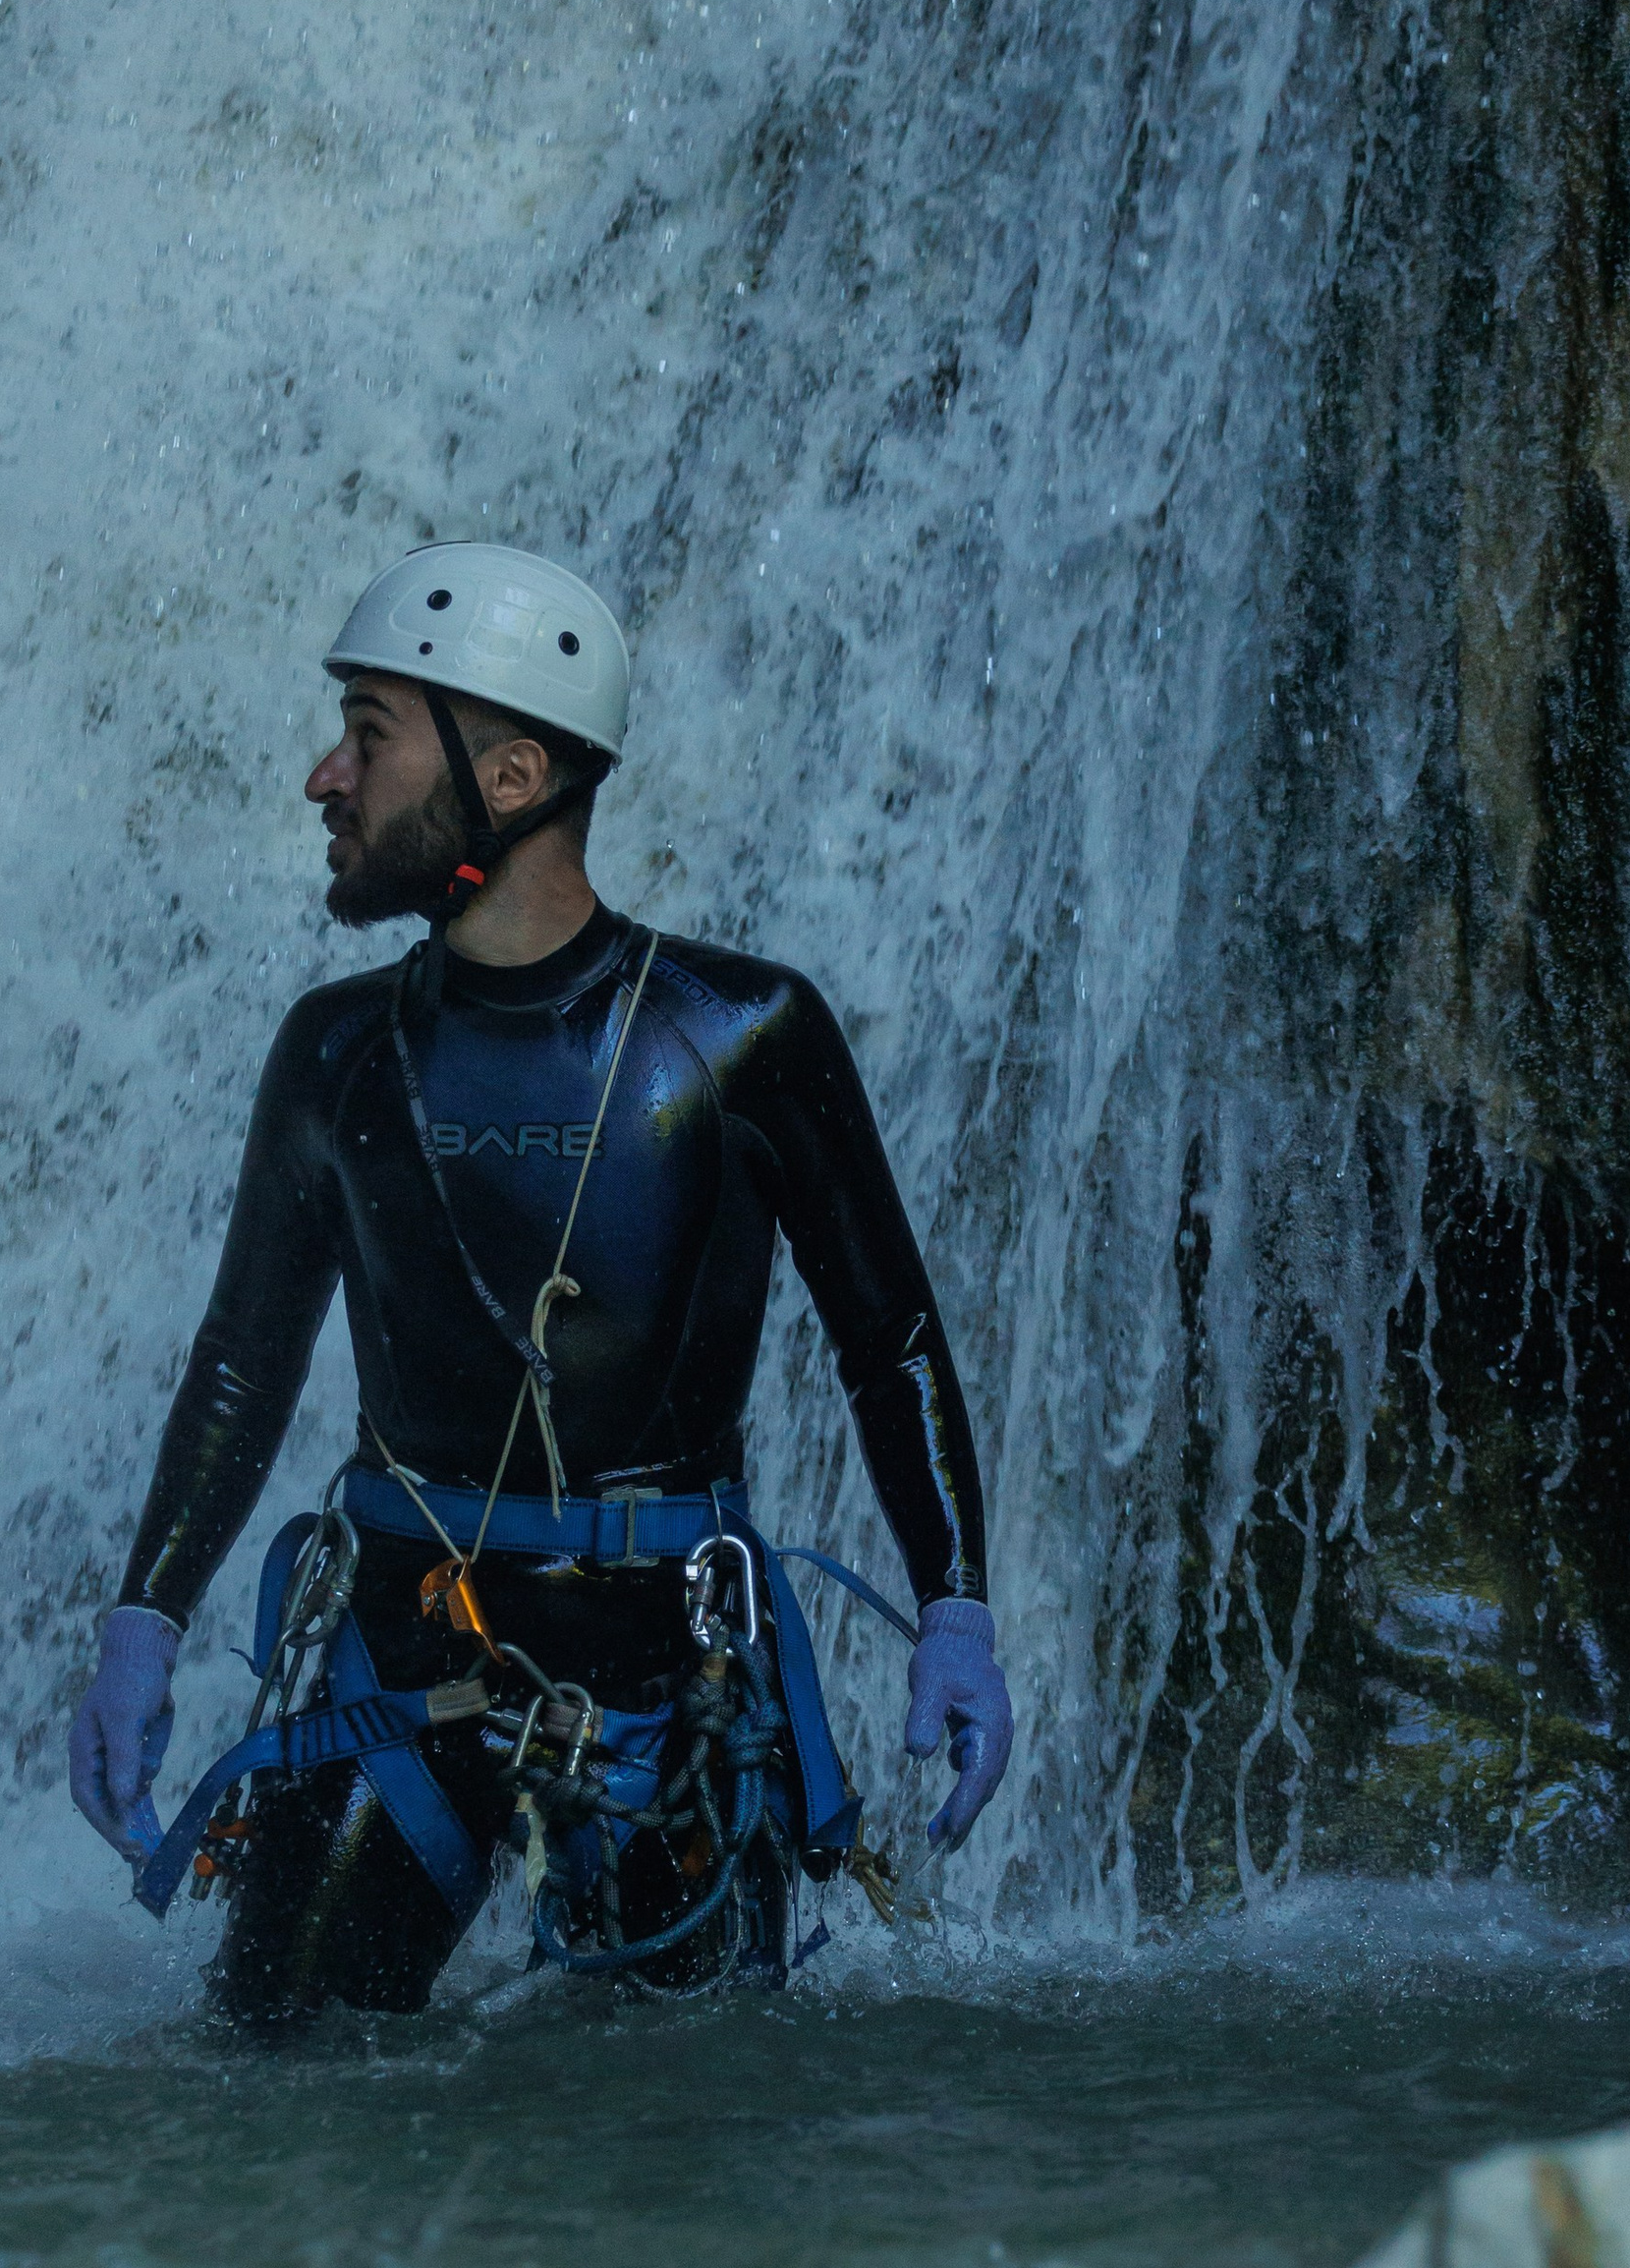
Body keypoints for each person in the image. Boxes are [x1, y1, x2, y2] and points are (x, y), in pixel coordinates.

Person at [67, 543, 1013, 2021]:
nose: (326, 777)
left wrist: (955, 1602)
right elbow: (246, 1357)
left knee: (673, 2172)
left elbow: (885, 1340)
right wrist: (147, 1618)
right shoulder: (334, 1052)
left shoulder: (744, 1033)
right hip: (401, 1676)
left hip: (677, 1694)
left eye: (368, 735)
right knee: (267, 2122)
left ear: (509, 780)